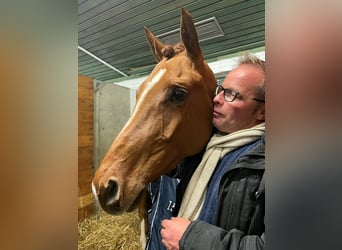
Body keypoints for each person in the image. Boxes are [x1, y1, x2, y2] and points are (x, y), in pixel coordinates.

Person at [160, 52, 266, 250]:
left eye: (231, 94)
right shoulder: (208, 144)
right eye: (220, 90)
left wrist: (192, 239)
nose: (216, 99)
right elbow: (170, 166)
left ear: (263, 112)